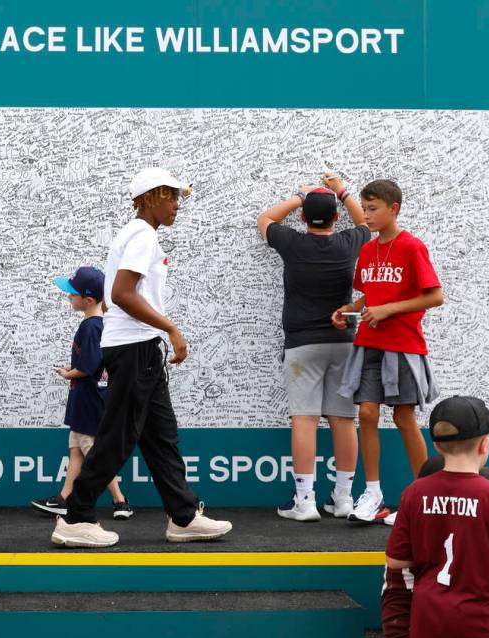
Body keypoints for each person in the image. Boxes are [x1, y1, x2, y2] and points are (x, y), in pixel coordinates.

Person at [51, 168, 232, 548]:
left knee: (161, 437)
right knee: (118, 436)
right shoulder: (142, 235)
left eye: (178, 198)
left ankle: (183, 517)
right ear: (149, 198)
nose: (176, 206)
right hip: (134, 348)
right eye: (171, 197)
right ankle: (76, 516)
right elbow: (121, 293)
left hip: (142, 350)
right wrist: (171, 327)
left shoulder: (139, 234)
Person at [257, 172, 369, 522]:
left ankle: (304, 502)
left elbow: (265, 219)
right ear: (337, 218)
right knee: (343, 419)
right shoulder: (350, 242)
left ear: (303, 219)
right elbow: (364, 221)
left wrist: (300, 196)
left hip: (302, 344)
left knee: (304, 419)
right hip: (343, 341)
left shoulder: (292, 243)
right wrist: (341, 190)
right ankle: (344, 498)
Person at [386, 395, 489, 638]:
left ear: (436, 446)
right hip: (485, 634)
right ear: (485, 445)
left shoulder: (414, 492)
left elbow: (397, 561)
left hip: (430, 629)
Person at [331, 179, 444, 525]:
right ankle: (374, 493)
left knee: (403, 418)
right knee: (366, 413)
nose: (366, 215)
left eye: (373, 209)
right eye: (364, 209)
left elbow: (435, 296)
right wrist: (349, 309)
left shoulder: (411, 247)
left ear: (393, 209)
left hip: (403, 345)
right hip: (369, 343)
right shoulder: (367, 250)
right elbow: (370, 297)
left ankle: (423, 496)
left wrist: (388, 310)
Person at [31, 266, 132, 520]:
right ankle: (63, 499)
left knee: (93, 454)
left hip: (89, 401)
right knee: (77, 450)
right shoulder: (98, 324)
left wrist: (69, 373)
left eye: (72, 294)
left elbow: (89, 366)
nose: (68, 297)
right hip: (86, 401)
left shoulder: (91, 327)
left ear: (87, 300)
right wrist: (74, 369)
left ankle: (120, 502)